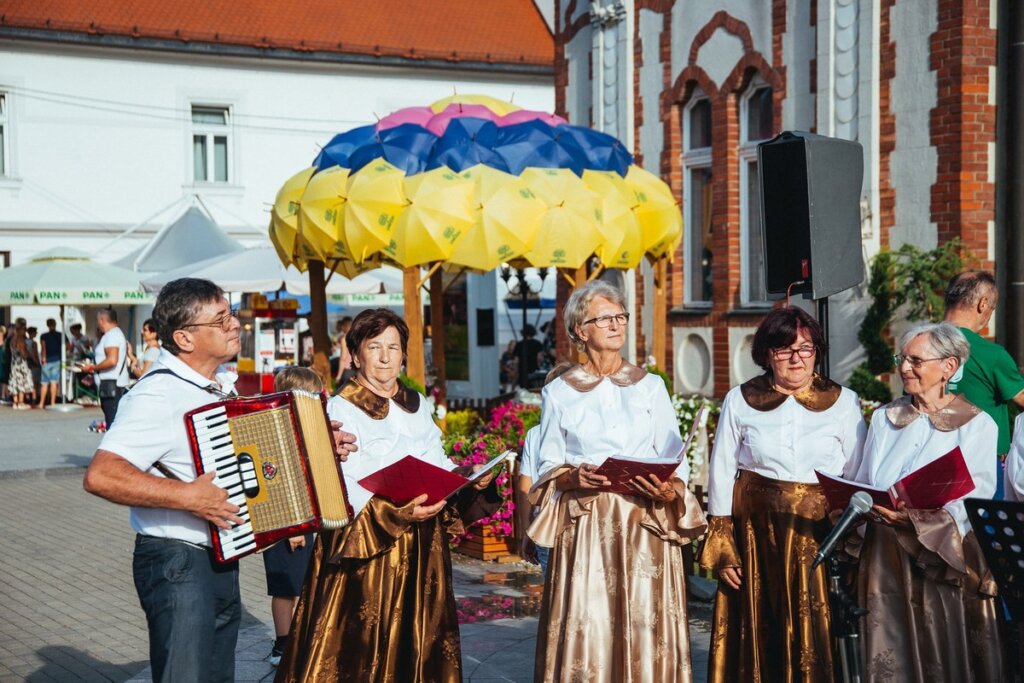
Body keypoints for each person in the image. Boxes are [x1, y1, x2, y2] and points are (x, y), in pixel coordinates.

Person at [83, 277, 358, 683]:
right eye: (221, 319)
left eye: (230, 315)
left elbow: (253, 467)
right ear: (185, 338)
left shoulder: (211, 389)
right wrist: (188, 497)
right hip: (176, 561)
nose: (236, 325)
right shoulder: (156, 395)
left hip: (218, 558)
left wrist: (317, 452)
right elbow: (102, 474)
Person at [276, 307, 492, 682]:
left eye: (394, 347)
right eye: (374, 347)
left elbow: (435, 459)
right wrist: (396, 510)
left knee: (418, 638)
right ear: (356, 354)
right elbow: (342, 480)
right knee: (362, 643)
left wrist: (465, 476)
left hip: (422, 544)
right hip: (368, 545)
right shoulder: (339, 408)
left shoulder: (416, 403)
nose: (385, 356)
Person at [528, 280, 706, 682]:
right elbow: (547, 463)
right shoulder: (559, 392)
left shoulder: (650, 387)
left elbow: (675, 457)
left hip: (644, 523)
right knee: (590, 620)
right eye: (604, 318)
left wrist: (668, 487)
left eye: (620, 316)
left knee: (646, 622)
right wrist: (572, 476)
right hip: (589, 525)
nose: (616, 324)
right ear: (580, 330)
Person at [699, 307, 866, 682]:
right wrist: (724, 546)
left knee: (815, 626)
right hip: (756, 535)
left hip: (818, 533)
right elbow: (722, 471)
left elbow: (858, 477)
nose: (796, 358)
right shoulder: (740, 400)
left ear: (817, 352)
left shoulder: (844, 402)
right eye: (784, 349)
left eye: (805, 348)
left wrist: (852, 541)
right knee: (762, 623)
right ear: (766, 354)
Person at [842, 321, 1004, 681]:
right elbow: (868, 479)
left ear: (948, 366)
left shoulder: (976, 425)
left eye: (916, 360)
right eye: (902, 358)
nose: (903, 368)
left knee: (935, 643)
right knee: (888, 644)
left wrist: (919, 520)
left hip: (937, 553)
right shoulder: (885, 418)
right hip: (884, 551)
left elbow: (973, 495)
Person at [943, 270, 1024, 498]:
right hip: (981, 465)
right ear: (982, 304)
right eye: (992, 308)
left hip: (929, 461)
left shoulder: (917, 345)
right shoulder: (991, 354)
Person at [264, 366, 321, 667]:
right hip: (285, 524)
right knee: (285, 587)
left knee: (298, 583)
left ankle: (295, 639)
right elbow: (278, 483)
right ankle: (282, 644)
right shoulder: (276, 431)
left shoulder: (298, 428)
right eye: (312, 396)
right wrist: (292, 528)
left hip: (301, 521)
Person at [81, 308, 130, 427]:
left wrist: (92, 368)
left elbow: (112, 360)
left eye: (98, 321)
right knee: (114, 422)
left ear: (102, 320)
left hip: (112, 387)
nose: (98, 324)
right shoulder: (115, 334)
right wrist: (95, 376)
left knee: (112, 424)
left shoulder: (111, 335)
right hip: (112, 384)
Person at [515, 425, 550, 576]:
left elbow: (525, 486)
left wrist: (527, 531)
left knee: (553, 592)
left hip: (543, 525)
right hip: (583, 523)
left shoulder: (535, 432)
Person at [37, 318, 63, 408]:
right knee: (54, 382)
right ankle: (52, 402)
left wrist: (43, 358)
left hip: (47, 360)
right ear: (55, 324)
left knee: (44, 383)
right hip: (57, 360)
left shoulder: (44, 336)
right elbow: (67, 346)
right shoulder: (61, 335)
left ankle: (41, 403)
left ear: (47, 325)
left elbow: (43, 348)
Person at [7, 320, 33, 410]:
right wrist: (29, 354)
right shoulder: (20, 339)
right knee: (21, 383)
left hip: (14, 364)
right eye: (24, 329)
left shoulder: (12, 339)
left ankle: (15, 402)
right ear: (21, 329)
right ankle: (21, 402)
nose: (25, 331)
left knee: (15, 383)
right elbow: (23, 353)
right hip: (21, 364)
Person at [332, 316, 353, 385]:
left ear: (344, 326)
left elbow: (343, 358)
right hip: (357, 370)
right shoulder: (358, 338)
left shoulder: (344, 338)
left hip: (347, 370)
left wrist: (339, 376)